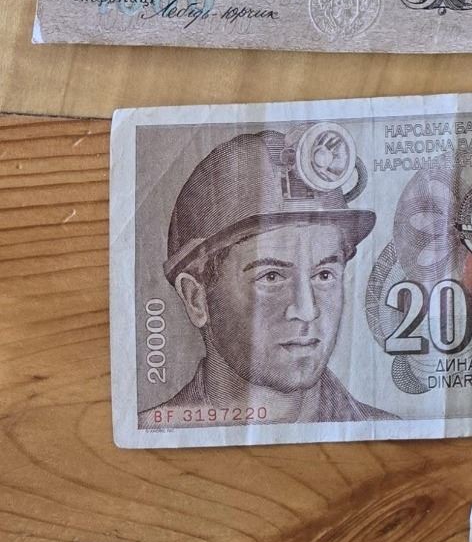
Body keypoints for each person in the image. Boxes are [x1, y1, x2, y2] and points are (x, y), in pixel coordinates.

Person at [144, 123, 395, 424]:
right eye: (272, 277)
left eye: (324, 275)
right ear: (196, 299)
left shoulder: (386, 431)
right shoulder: (153, 436)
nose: (307, 310)